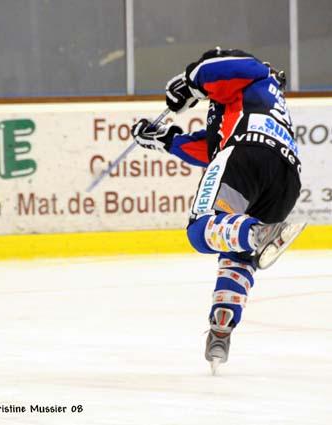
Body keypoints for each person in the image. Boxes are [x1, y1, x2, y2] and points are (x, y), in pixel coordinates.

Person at [131, 47, 306, 374]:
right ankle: (222, 326)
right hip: (285, 179)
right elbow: (214, 150)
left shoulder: (254, 73)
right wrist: (165, 140)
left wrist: (187, 82)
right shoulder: (251, 100)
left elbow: (221, 68)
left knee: (202, 229)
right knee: (238, 252)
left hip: (248, 154)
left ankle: (258, 232)